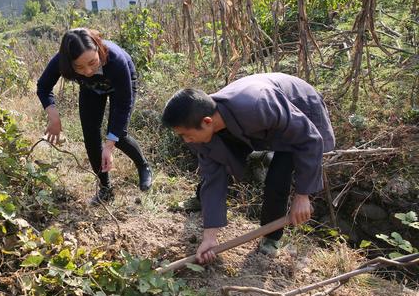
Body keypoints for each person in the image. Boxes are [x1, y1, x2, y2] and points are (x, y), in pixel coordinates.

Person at [161, 73, 335, 262]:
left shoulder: (257, 104)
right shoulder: (200, 125)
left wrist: (303, 194)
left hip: (300, 109)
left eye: (186, 135)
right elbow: (213, 177)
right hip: (263, 121)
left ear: (207, 122)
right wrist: (209, 237)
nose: (186, 141)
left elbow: (309, 138)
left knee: (277, 178)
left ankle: (271, 237)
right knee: (215, 158)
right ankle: (205, 198)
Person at [37, 28, 153, 204]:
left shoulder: (116, 60)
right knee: (91, 136)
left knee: (119, 135)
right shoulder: (61, 61)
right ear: (69, 63)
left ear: (98, 49)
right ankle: (105, 188)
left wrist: (109, 145)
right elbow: (43, 86)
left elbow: (123, 105)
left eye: (93, 62)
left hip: (120, 85)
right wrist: (54, 117)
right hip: (91, 89)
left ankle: (143, 166)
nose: (88, 70)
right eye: (79, 67)